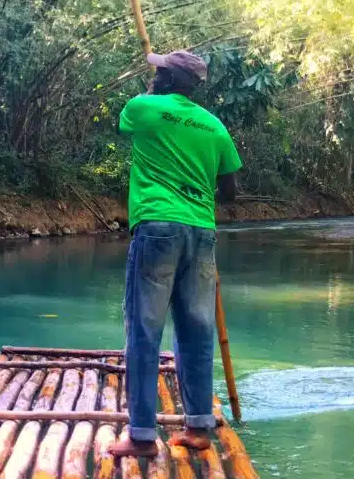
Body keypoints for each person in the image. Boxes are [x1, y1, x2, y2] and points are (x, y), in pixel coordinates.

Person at [108, 50, 241, 458]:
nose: (153, 75)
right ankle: (199, 427)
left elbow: (127, 125)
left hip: (157, 229)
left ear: (166, 79)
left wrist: (153, 94)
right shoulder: (215, 125)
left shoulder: (143, 107)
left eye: (158, 70)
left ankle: (142, 436)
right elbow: (230, 191)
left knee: (145, 331)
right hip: (201, 232)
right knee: (198, 330)